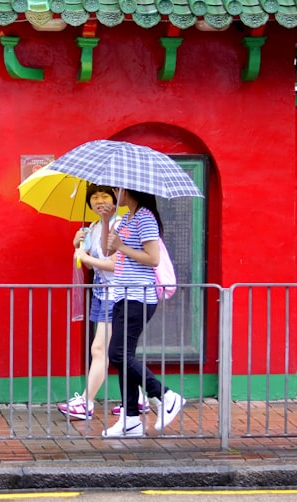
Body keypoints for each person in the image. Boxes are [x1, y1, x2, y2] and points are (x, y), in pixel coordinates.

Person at [101, 188, 185, 437]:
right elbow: (108, 252)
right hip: (122, 294)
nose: (116, 193)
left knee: (117, 354)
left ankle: (165, 394)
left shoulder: (145, 217)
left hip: (139, 296)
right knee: (123, 356)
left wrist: (122, 247)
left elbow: (153, 258)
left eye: (118, 189)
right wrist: (107, 223)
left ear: (130, 189)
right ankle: (130, 419)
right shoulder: (126, 218)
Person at [58, 184, 120, 420]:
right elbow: (89, 265)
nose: (99, 201)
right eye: (94, 197)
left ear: (115, 199)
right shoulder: (93, 227)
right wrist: (79, 247)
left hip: (117, 294)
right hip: (101, 294)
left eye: (105, 196)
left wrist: (85, 256)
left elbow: (116, 264)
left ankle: (87, 402)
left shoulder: (118, 225)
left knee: (99, 349)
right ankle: (139, 399)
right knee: (120, 350)